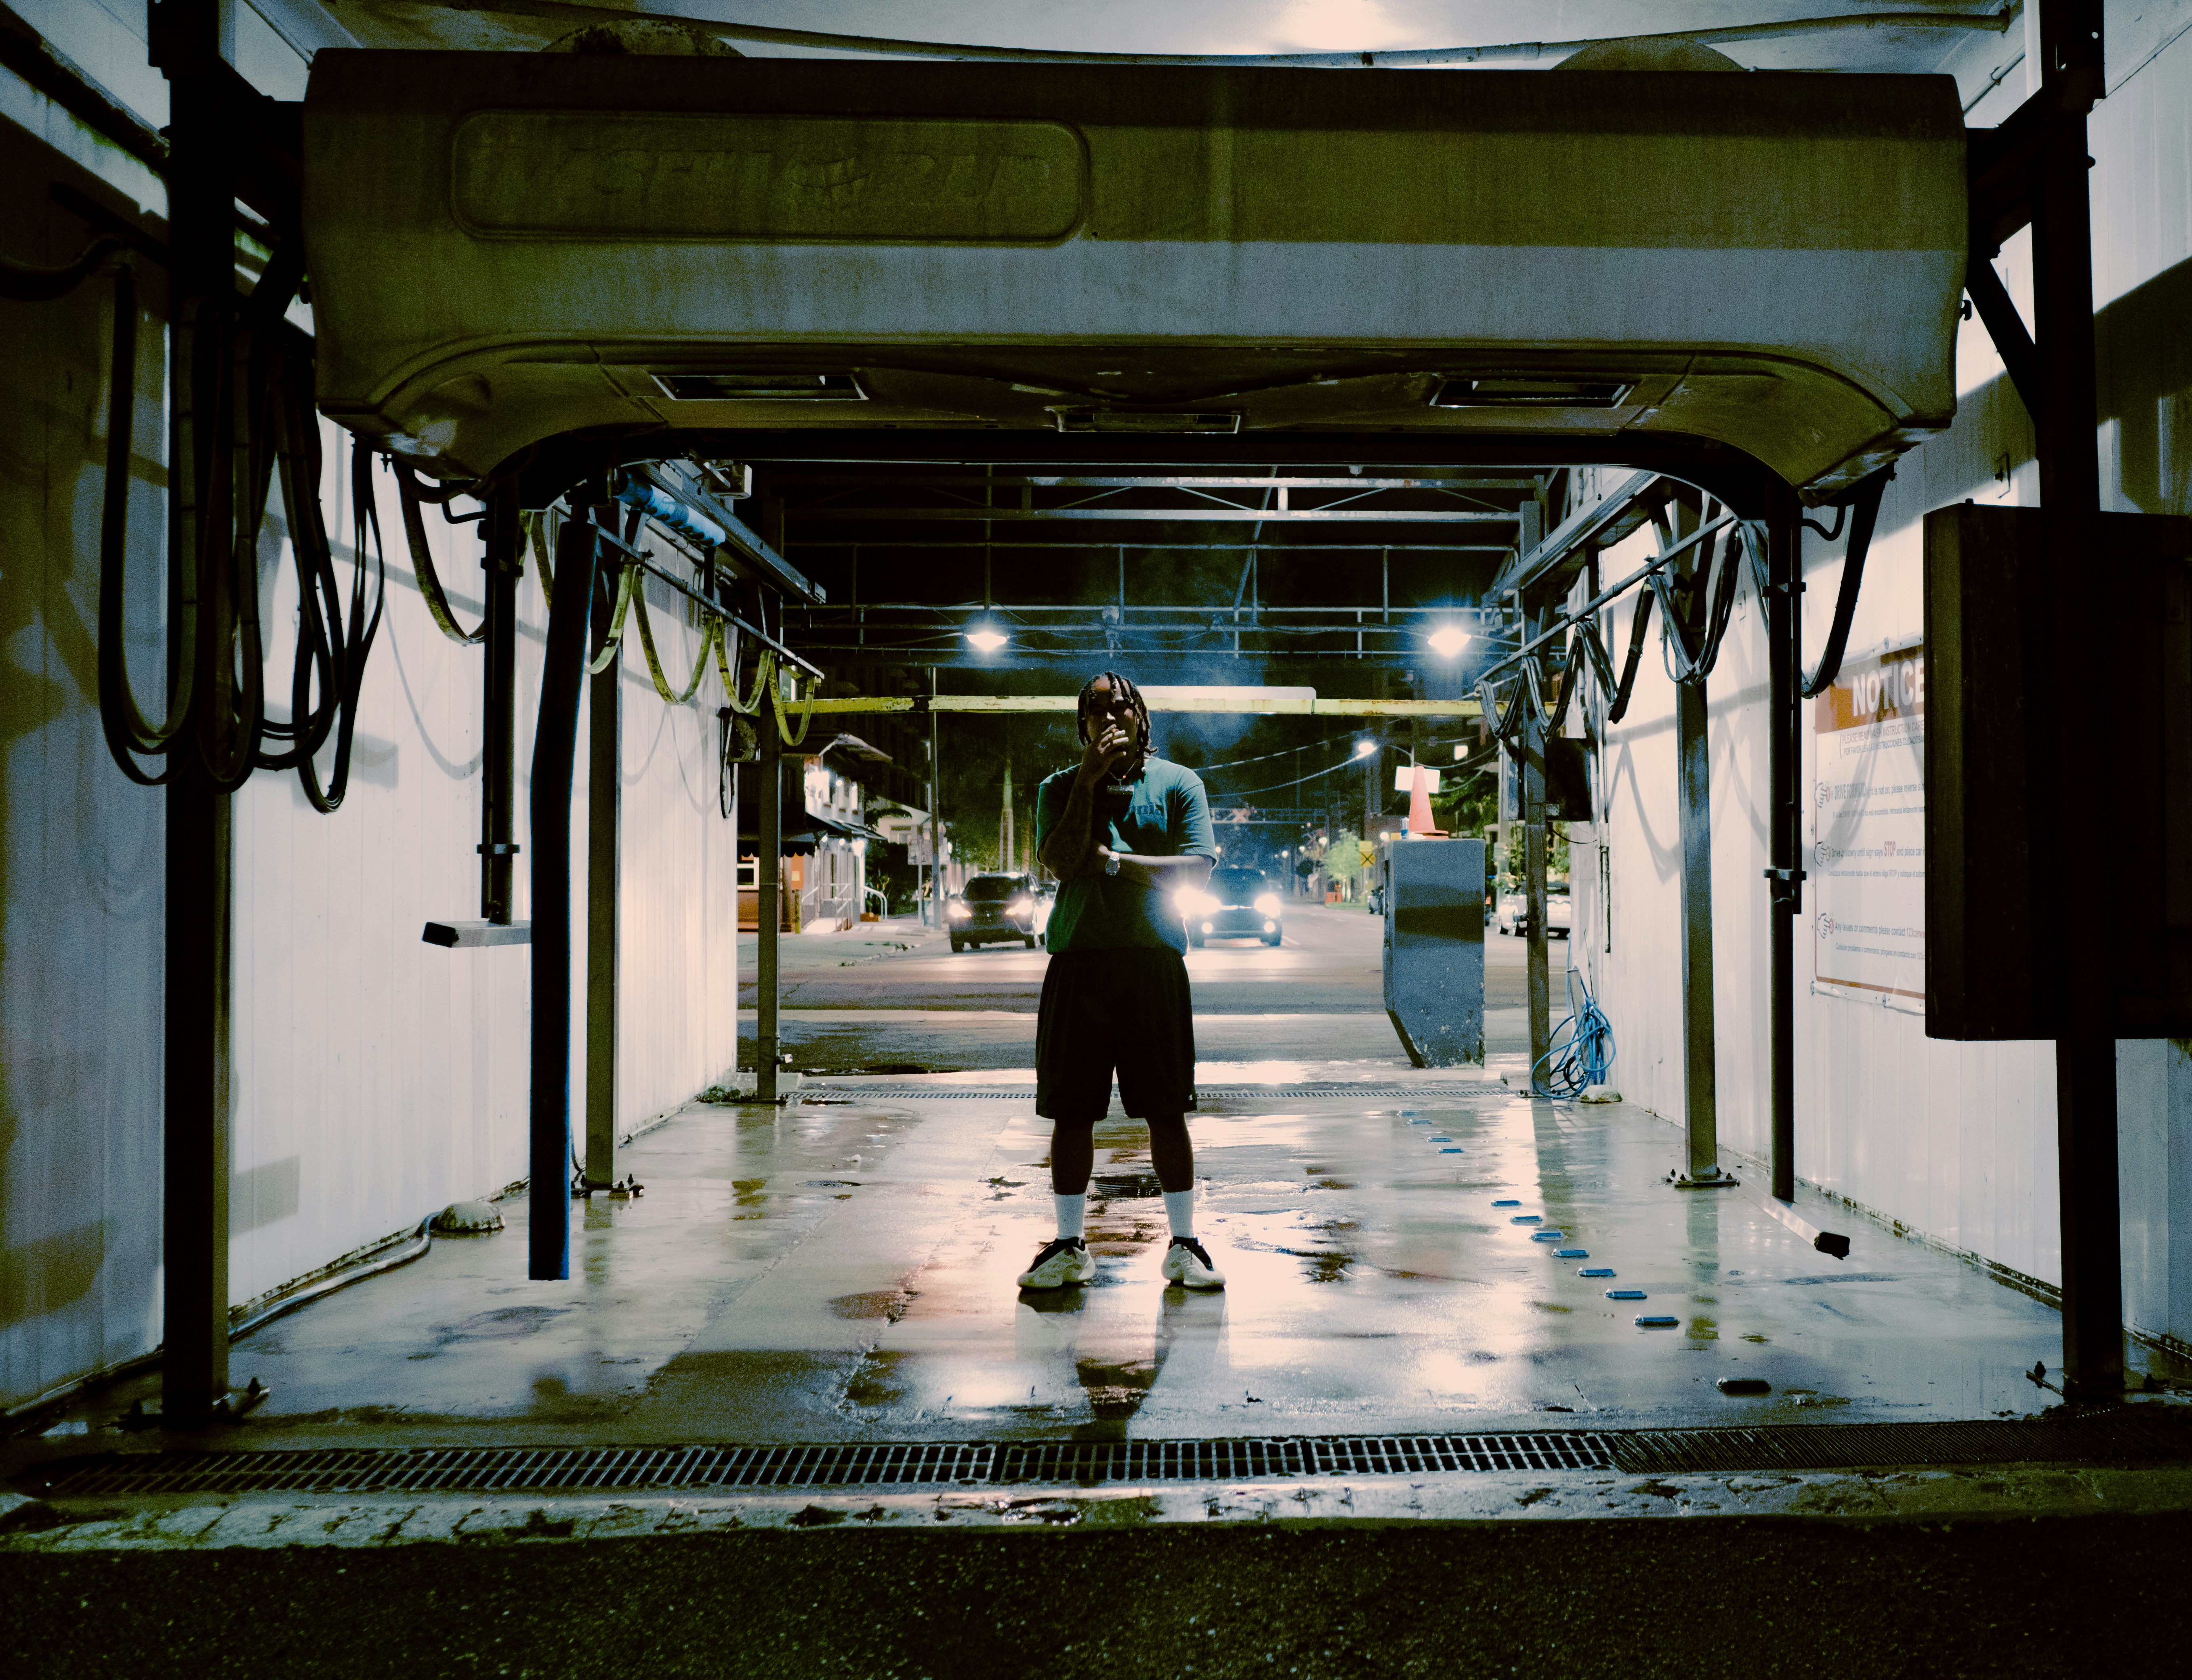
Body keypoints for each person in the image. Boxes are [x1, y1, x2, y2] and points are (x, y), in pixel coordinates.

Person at [1017, 671, 1224, 1291]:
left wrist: (1109, 864)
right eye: (1096, 711)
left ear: (1143, 718)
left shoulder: (1180, 784)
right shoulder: (1060, 787)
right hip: (1078, 963)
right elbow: (1057, 862)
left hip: (1152, 963)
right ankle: (1068, 1244)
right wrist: (1086, 779)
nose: (1110, 719)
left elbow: (1193, 871)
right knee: (1071, 1110)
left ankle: (1185, 1244)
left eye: (1121, 708)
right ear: (1082, 724)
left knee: (1166, 1107)